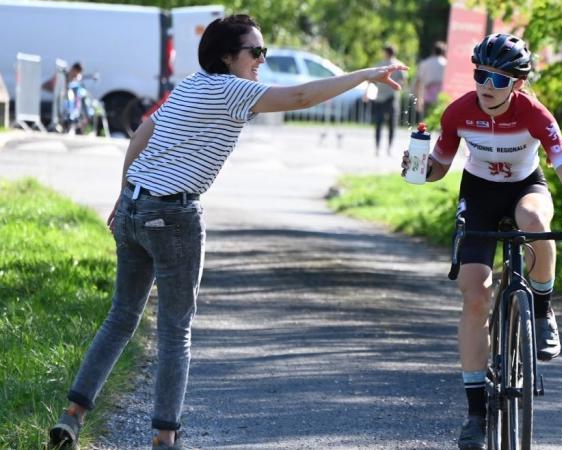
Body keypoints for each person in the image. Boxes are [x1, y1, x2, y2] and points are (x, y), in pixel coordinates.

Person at [48, 14, 406, 450]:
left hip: (134, 207)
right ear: (226, 56)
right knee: (175, 329)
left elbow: (142, 133)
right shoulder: (231, 89)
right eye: (254, 52)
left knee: (122, 317)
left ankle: (72, 417)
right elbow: (301, 95)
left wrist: (124, 197)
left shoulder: (193, 85)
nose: (261, 59)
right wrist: (366, 74)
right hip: (174, 215)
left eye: (264, 51)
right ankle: (164, 437)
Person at [400, 33, 562, 450]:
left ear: (518, 85)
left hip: (526, 186)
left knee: (535, 219)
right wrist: (418, 168)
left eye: (500, 80)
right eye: (481, 76)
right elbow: (439, 167)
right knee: (474, 294)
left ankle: (541, 309)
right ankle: (475, 414)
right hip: (479, 193)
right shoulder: (458, 113)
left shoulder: (534, 113)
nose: (487, 86)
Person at [369, 44, 406, 156]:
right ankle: (390, 148)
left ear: (386, 52)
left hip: (380, 98)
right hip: (392, 97)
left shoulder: (380, 65)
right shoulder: (399, 65)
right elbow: (403, 81)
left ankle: (377, 148)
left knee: (378, 124)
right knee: (392, 124)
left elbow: (371, 79)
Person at [413, 40, 447, 121]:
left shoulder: (425, 63)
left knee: (427, 123)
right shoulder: (446, 64)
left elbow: (418, 82)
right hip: (442, 98)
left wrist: (418, 99)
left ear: (433, 51)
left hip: (427, 97)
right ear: (443, 52)